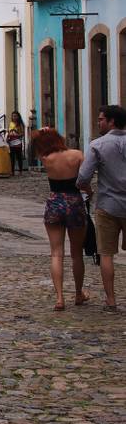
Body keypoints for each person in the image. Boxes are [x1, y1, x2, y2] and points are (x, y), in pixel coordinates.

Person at [31, 129, 89, 311]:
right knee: (77, 252)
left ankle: (59, 298)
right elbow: (84, 180)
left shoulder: (46, 158)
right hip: (74, 202)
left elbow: (39, 139)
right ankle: (78, 293)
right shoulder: (77, 155)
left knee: (56, 253)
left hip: (55, 202)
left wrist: (43, 132)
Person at [78, 104, 126, 312]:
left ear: (111, 121)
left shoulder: (98, 145)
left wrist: (88, 190)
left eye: (100, 119)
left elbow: (82, 178)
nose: (97, 122)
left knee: (106, 254)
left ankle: (111, 300)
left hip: (108, 205)